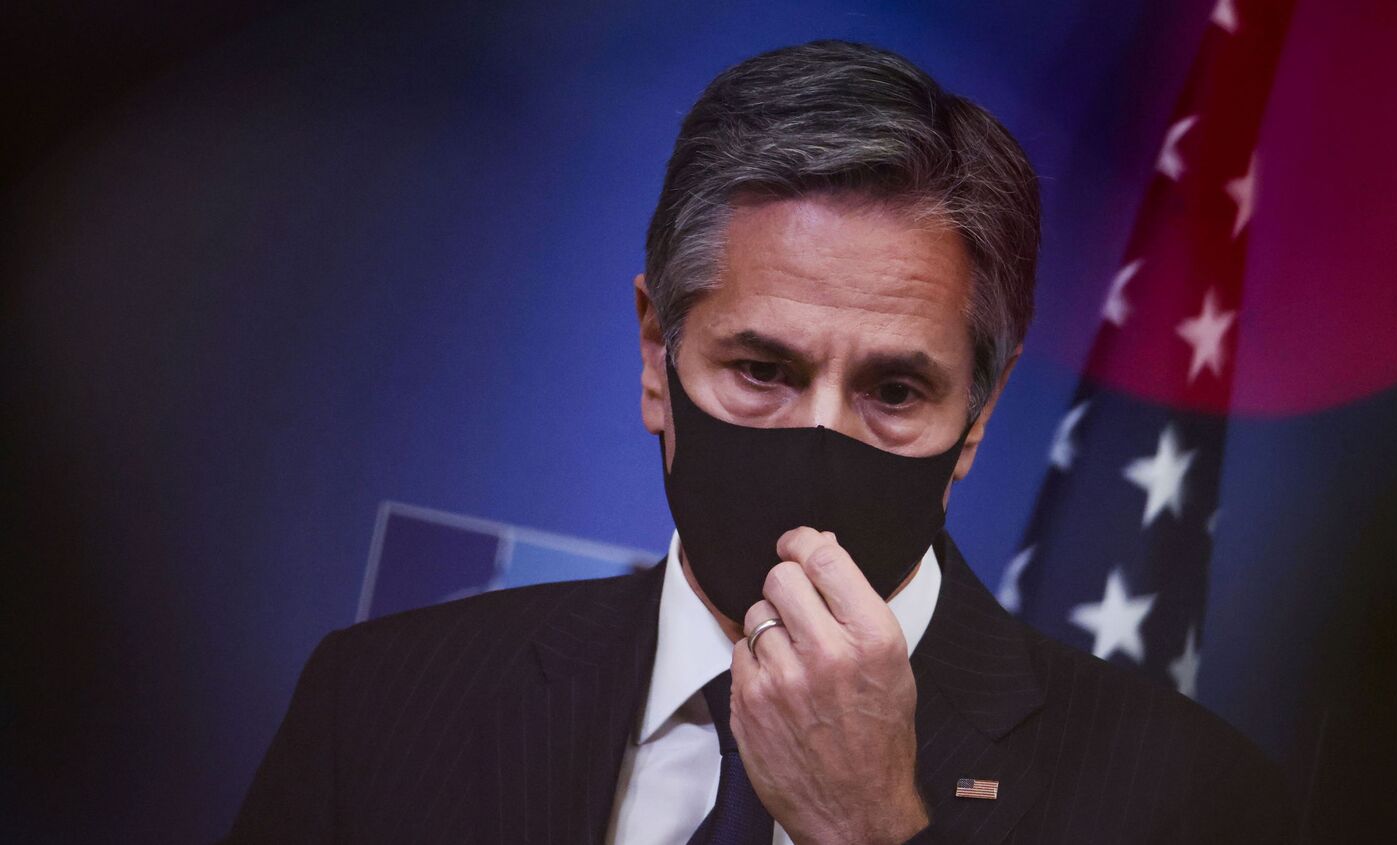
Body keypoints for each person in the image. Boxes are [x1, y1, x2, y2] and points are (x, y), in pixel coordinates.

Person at [226, 39, 1285, 844]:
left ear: (980, 416)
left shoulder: (1186, 798)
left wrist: (870, 828)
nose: (819, 438)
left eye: (894, 389)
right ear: (657, 356)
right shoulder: (381, 706)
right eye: (763, 371)